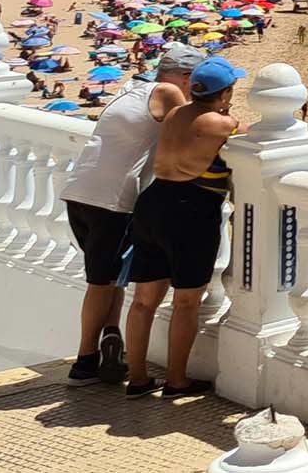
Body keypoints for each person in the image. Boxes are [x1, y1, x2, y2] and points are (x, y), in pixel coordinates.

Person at [59, 42, 201, 384]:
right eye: (196, 81)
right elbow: (193, 127)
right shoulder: (167, 91)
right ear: (184, 78)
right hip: (110, 200)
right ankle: (84, 361)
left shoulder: (132, 88)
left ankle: (111, 338)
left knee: (111, 278)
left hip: (80, 192)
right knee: (100, 282)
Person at [121, 56, 243, 397]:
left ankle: (138, 378)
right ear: (224, 94)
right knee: (186, 301)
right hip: (191, 209)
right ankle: (177, 381)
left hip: (153, 202)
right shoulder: (223, 124)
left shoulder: (175, 114)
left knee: (143, 301)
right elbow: (252, 138)